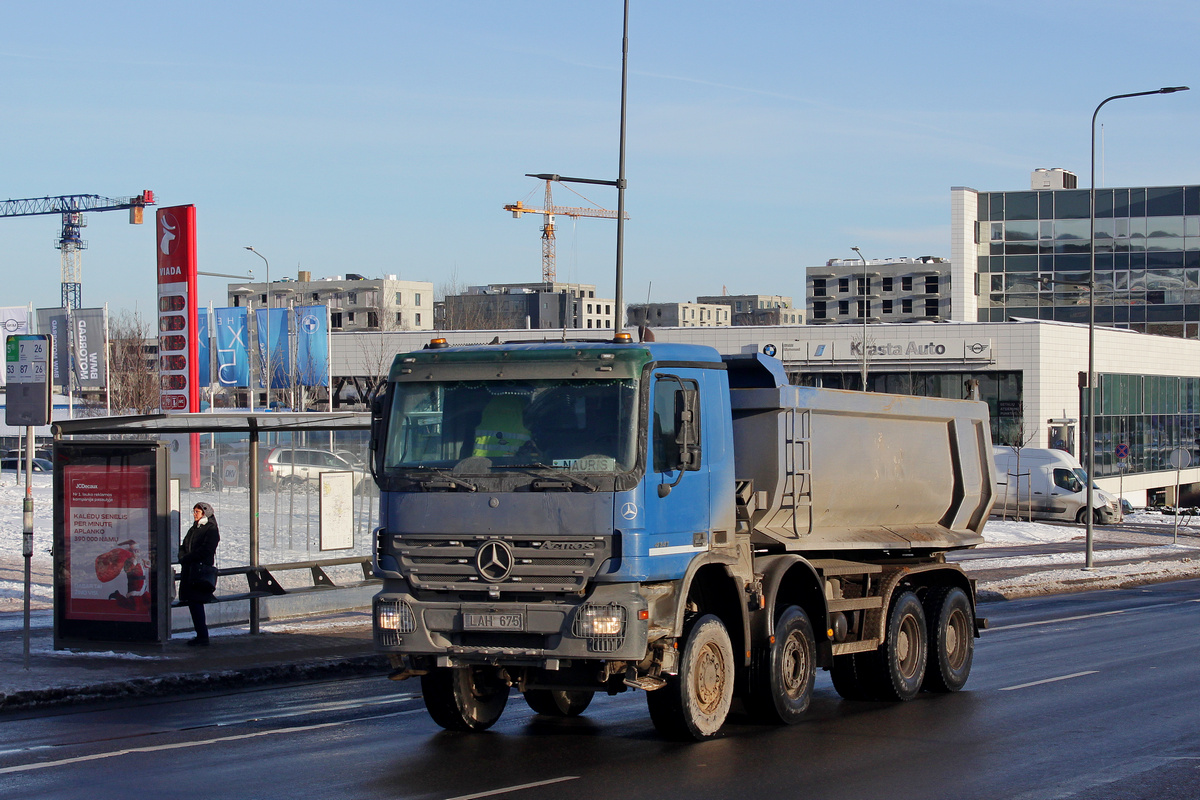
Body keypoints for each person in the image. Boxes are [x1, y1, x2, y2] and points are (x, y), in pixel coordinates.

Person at [179, 502, 220, 646]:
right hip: (190, 571)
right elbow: (184, 545)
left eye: (197, 511)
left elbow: (207, 550)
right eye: (194, 511)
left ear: (205, 513)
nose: (195, 514)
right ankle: (201, 635)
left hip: (199, 572)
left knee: (196, 602)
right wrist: (182, 555)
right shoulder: (194, 528)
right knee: (193, 603)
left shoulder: (211, 529)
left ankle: (202, 636)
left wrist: (187, 557)